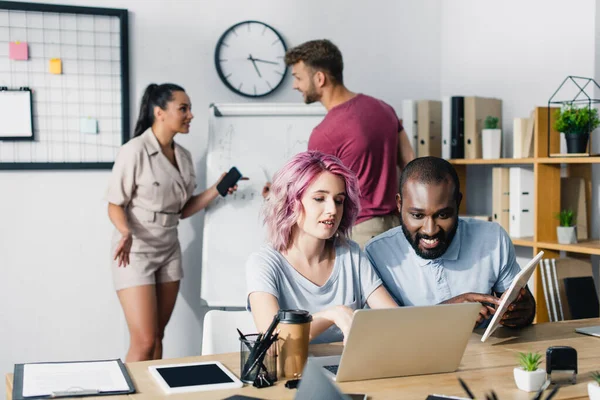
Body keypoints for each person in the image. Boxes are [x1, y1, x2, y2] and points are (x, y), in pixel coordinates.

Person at [106, 83, 240, 362]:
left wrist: (217, 188)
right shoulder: (135, 151)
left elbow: (182, 209)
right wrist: (125, 232)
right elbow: (114, 204)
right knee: (143, 341)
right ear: (160, 112)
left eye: (189, 108)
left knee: (157, 338)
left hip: (169, 249)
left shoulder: (183, 156)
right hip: (136, 250)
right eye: (183, 108)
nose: (190, 114)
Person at [365, 157, 536, 328]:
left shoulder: (493, 238)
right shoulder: (377, 254)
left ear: (458, 203)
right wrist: (448, 313)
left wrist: (522, 311)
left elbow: (521, 310)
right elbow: (384, 330)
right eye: (417, 216)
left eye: (443, 215)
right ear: (399, 204)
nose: (430, 230)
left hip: (486, 353)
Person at [246, 151, 398, 344]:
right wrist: (331, 315)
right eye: (319, 198)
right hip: (292, 373)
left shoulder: (351, 255)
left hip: (344, 371)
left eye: (339, 200)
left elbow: (394, 321)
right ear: (291, 202)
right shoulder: (263, 263)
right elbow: (273, 342)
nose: (332, 210)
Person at [283, 39, 415, 248]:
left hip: (359, 231)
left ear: (319, 78)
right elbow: (410, 162)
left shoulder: (324, 133)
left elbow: (315, 193)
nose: (295, 85)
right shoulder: (383, 108)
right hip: (396, 226)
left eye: (298, 78)